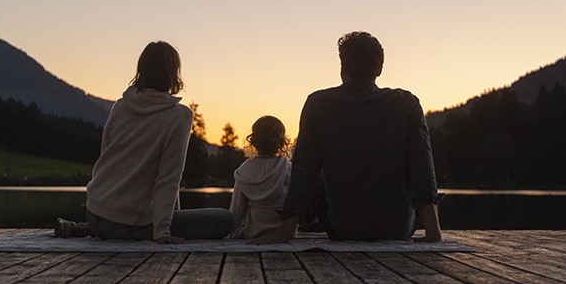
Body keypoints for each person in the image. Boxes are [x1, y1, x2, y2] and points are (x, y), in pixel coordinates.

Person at [251, 31, 443, 244]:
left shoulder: (317, 104)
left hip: (342, 229)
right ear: (379, 68)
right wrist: (433, 233)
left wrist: (284, 233)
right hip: (396, 229)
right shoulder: (406, 103)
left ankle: (301, 227)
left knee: (313, 166)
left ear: (342, 67)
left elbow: (304, 172)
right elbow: (422, 168)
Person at [55, 41, 233, 243]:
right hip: (126, 222)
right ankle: (119, 230)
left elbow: (106, 156)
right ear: (174, 72)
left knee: (122, 221)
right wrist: (163, 232)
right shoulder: (179, 116)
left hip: (94, 211)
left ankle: (88, 228)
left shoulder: (121, 106)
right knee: (225, 220)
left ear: (142, 70)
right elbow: (169, 176)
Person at [227, 115, 294, 239]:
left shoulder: (245, 169)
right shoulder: (289, 168)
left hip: (253, 233)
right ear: (281, 141)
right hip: (284, 233)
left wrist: (229, 236)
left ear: (253, 140)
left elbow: (237, 210)